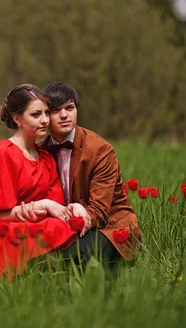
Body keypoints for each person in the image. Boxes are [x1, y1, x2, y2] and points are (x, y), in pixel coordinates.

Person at [0, 84, 82, 280]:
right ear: (17, 118)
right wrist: (40, 205)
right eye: (36, 115)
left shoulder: (45, 157)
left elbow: (56, 206)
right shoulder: (3, 152)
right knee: (16, 236)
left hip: (30, 222)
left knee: (62, 227)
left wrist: (72, 206)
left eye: (46, 113)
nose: (45, 120)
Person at [38, 82, 142, 265]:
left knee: (68, 257)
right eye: (56, 110)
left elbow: (100, 212)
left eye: (69, 108)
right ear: (45, 116)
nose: (64, 115)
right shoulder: (39, 151)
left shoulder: (100, 150)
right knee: (32, 256)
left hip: (110, 228)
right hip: (62, 228)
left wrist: (80, 216)